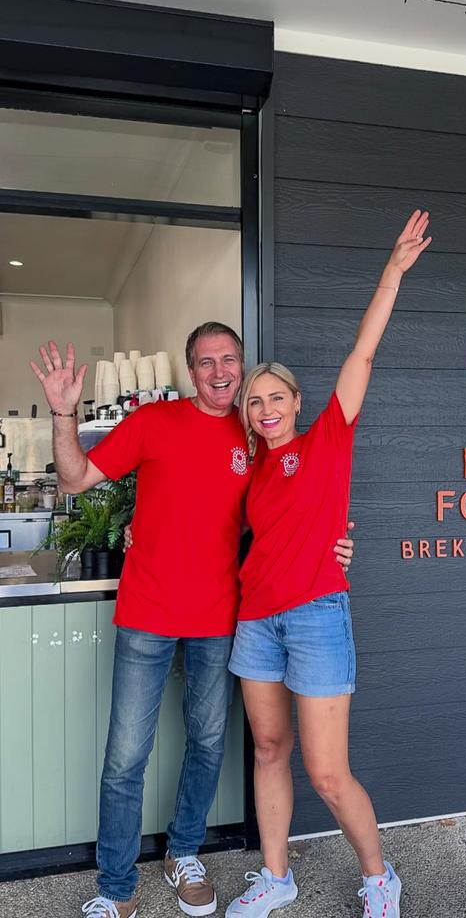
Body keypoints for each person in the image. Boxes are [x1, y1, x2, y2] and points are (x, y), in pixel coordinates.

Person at [30, 324, 353, 918]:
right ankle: (117, 887)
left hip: (220, 618)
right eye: (206, 362)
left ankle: (184, 853)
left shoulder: (256, 432)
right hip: (147, 614)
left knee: (207, 744)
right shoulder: (154, 422)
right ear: (190, 371)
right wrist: (62, 414)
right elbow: (75, 479)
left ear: (242, 365)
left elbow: (294, 501)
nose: (220, 371)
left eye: (229, 359)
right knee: (127, 754)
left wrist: (334, 543)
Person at [225, 210, 432, 918]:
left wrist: (393, 272)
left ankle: (379, 876)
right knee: (269, 749)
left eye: (274, 396)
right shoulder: (251, 473)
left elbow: (363, 354)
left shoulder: (327, 441)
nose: (264, 407)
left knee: (327, 770)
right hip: (256, 620)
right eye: (254, 402)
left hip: (315, 615)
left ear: (297, 403)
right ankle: (275, 877)